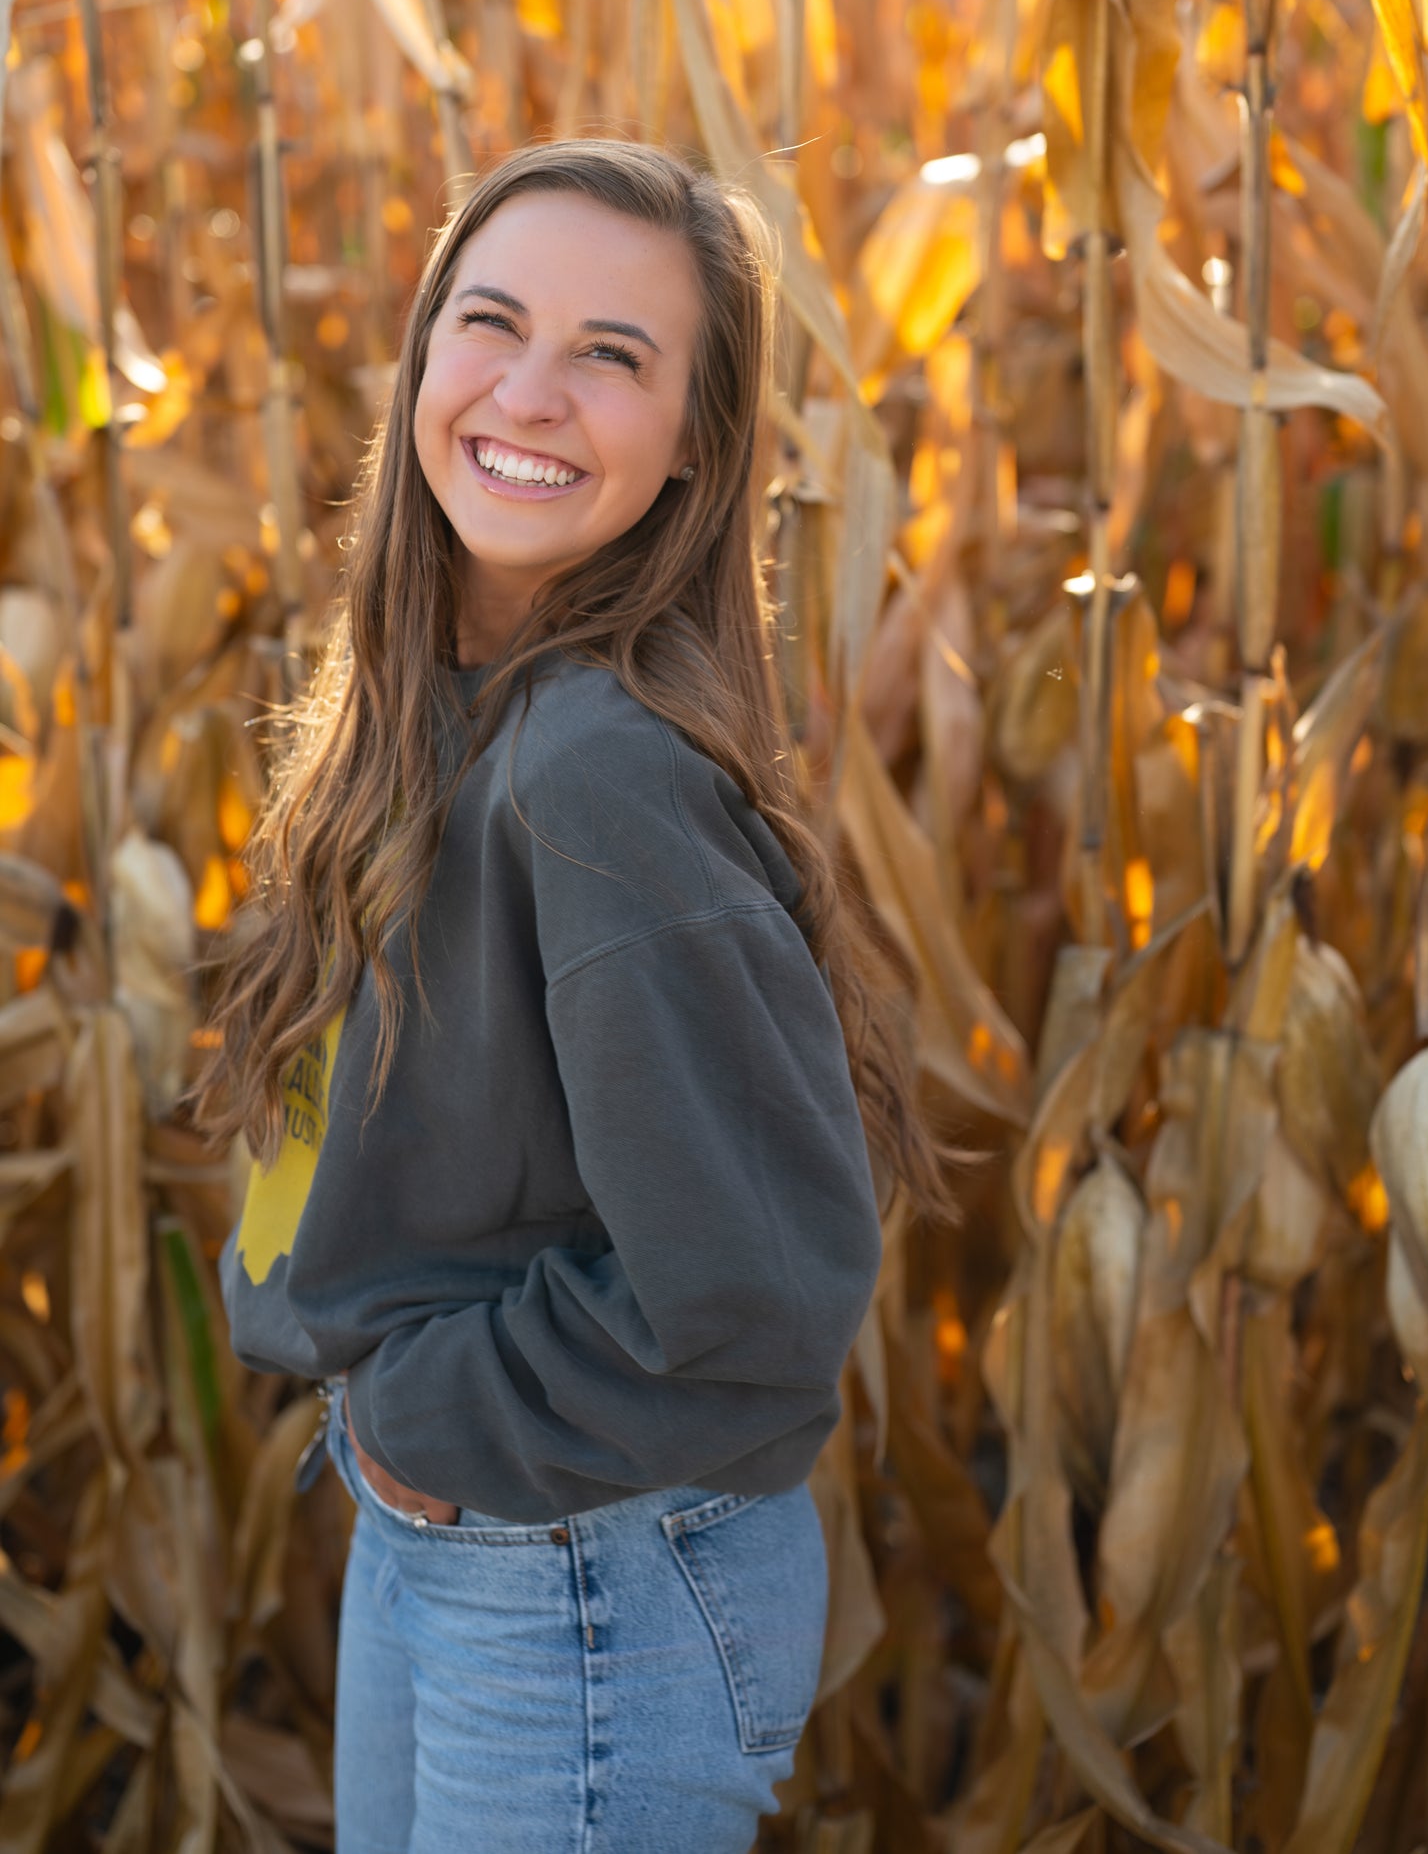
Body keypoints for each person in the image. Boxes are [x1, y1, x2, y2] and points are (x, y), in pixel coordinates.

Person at [193, 139, 953, 1854]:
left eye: (612, 357)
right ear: (419, 363)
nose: (527, 394)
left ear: (694, 442)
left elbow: (759, 1293)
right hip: (481, 1538)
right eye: (492, 323)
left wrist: (419, 1421)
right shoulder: (435, 713)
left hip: (585, 1574)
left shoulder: (595, 770)